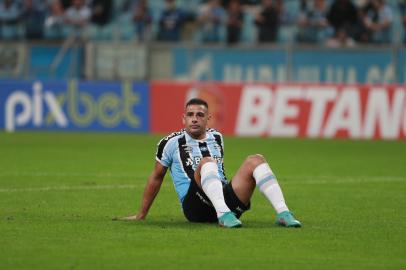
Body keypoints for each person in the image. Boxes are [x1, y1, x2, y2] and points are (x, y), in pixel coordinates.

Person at [117, 98, 301, 228]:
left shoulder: (217, 137)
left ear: (208, 119)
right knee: (206, 162)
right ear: (184, 119)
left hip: (224, 199)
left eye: (199, 114)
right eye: (190, 115)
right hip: (195, 207)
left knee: (256, 159)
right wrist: (141, 215)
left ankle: (284, 213)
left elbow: (221, 171)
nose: (194, 118)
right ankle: (223, 216)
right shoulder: (170, 143)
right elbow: (156, 177)